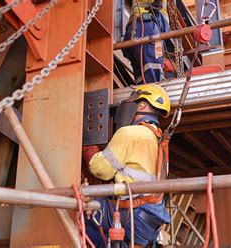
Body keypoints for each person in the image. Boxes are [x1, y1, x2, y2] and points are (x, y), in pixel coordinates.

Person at [82, 84, 171, 247]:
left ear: (142, 104)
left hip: (133, 214)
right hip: (150, 219)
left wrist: (90, 152)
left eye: (133, 102)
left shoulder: (130, 133)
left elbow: (101, 170)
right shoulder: (157, 139)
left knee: (76, 210)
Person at [122, 0, 170, 84]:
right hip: (147, 28)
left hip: (141, 29)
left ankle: (143, 91)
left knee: (142, 73)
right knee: (153, 69)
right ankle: (151, 90)